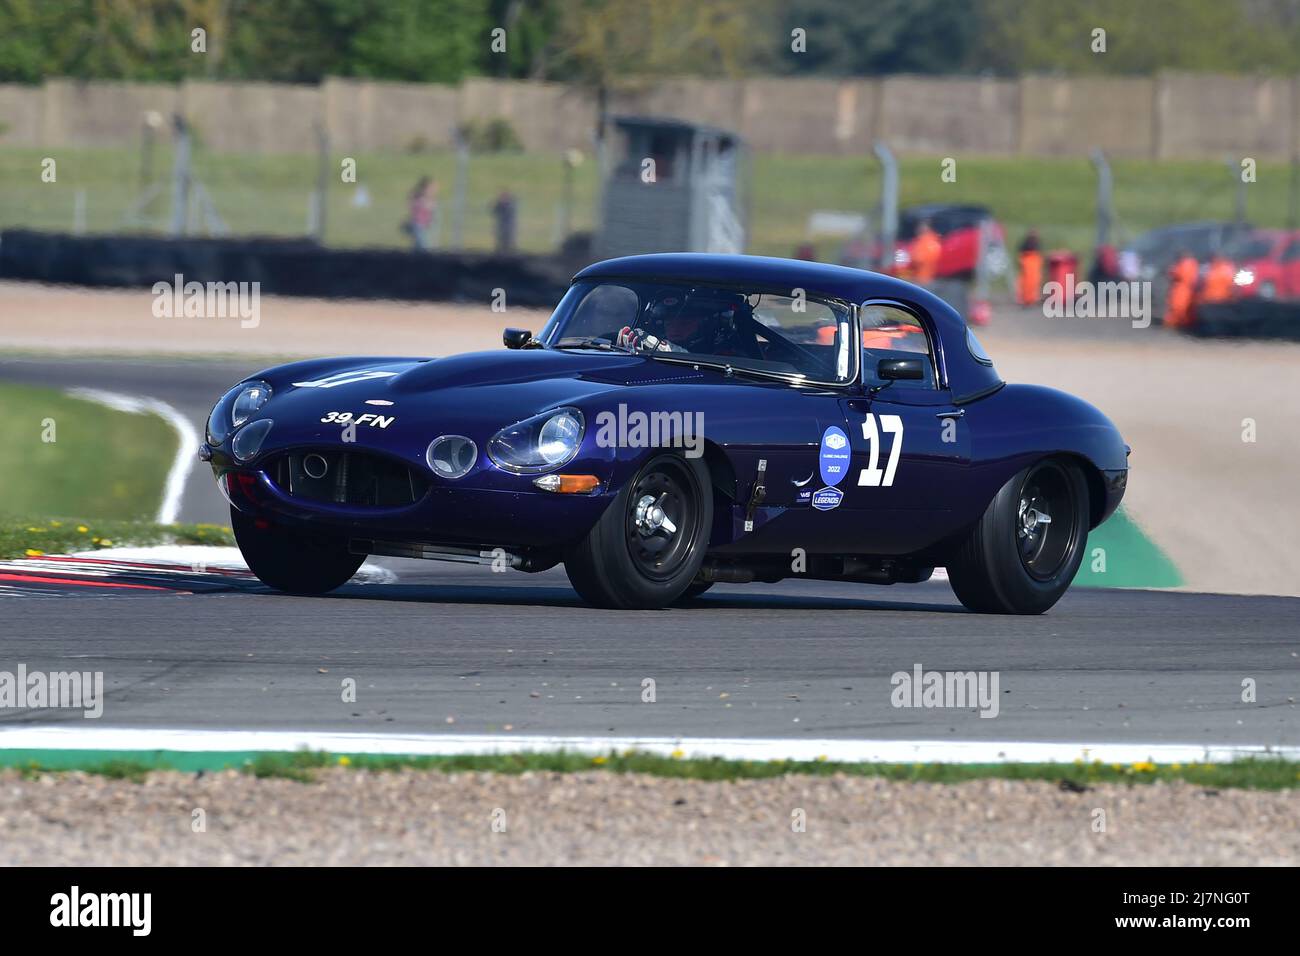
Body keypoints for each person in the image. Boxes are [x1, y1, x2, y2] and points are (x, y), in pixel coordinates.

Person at [1163, 250, 1199, 328]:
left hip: (1181, 288)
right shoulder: (1194, 264)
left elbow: (1177, 274)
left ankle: (1173, 323)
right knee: (1187, 308)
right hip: (1190, 289)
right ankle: (1186, 323)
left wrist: (1171, 271)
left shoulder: (1183, 264)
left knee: (1177, 307)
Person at [404, 176, 438, 251]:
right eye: (432, 187)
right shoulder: (419, 197)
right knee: (423, 247)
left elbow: (432, 208)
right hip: (418, 225)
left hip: (426, 226)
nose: (434, 190)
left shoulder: (430, 198)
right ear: (425, 187)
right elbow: (411, 205)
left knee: (418, 247)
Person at [1017, 230, 1044, 306]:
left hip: (1033, 263)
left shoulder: (1037, 245)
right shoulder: (1025, 245)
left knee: (1034, 281)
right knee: (1026, 281)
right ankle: (1026, 298)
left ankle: (1032, 298)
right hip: (1028, 263)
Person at [491, 189, 517, 254]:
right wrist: (498, 203)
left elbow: (509, 213)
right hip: (501, 228)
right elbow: (493, 212)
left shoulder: (511, 204)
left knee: (508, 243)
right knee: (500, 243)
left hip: (508, 228)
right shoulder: (499, 204)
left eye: (505, 196)